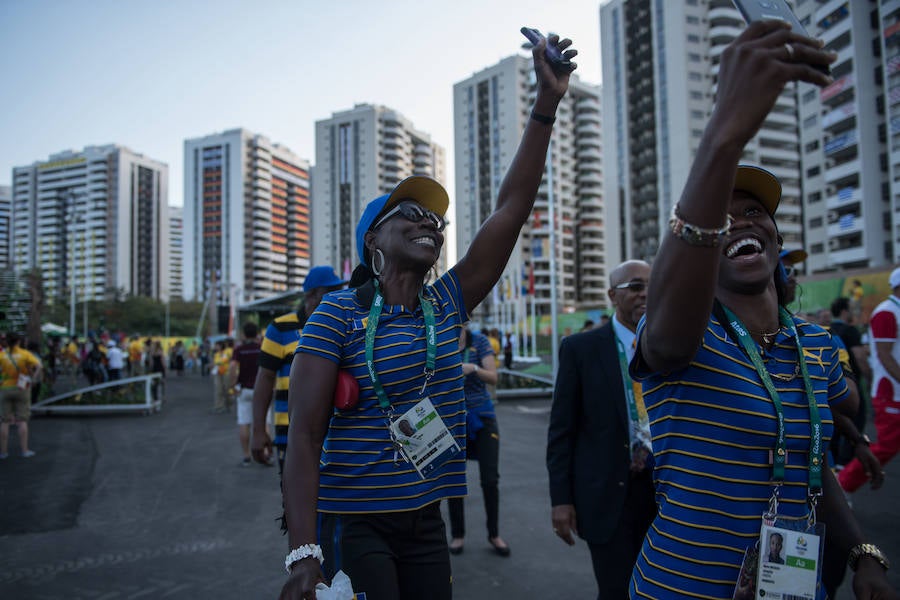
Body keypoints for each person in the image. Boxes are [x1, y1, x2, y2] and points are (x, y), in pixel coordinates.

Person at [279, 33, 577, 600]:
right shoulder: (338, 315)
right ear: (374, 241)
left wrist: (546, 105)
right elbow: (304, 437)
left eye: (438, 221)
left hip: (425, 517)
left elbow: (510, 211)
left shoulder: (446, 303)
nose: (431, 224)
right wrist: (303, 555)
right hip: (354, 520)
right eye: (412, 213)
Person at [630, 21, 894, 599]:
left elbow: (809, 464)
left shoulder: (817, 347)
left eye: (754, 212)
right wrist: (724, 132)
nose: (739, 221)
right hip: (683, 586)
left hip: (794, 588)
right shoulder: (687, 333)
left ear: (776, 238)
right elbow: (670, 335)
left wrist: (862, 554)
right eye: (722, 217)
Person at [547, 260, 656, 599]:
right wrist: (561, 501)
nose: (646, 295)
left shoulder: (669, 346)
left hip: (664, 494)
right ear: (612, 295)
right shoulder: (581, 349)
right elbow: (562, 430)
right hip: (608, 496)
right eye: (636, 287)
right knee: (616, 591)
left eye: (653, 286)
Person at [250, 265, 347, 470]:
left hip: (339, 436)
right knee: (297, 498)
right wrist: (258, 430)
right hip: (292, 436)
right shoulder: (280, 328)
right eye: (331, 292)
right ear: (311, 296)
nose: (339, 296)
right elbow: (265, 378)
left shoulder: (344, 325)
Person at [446, 327, 507, 557]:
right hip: (452, 418)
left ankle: (494, 534)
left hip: (482, 416)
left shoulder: (479, 341)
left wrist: (472, 369)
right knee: (454, 480)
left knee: (490, 479)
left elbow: (493, 377)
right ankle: (458, 535)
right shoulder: (440, 337)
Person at [839, 268, 900, 497]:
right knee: (886, 446)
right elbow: (884, 355)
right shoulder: (887, 312)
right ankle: (843, 485)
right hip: (891, 392)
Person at [0, 332, 42, 459]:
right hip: (22, 388)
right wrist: (33, 378)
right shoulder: (25, 354)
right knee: (22, 420)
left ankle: (3, 452)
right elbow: (39, 365)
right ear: (19, 341)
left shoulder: (2, 354)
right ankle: (24, 450)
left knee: (4, 421)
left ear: (6, 341)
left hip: (5, 388)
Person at [229, 322, 261, 467]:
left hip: (244, 389)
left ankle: (246, 456)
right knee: (263, 422)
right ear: (257, 333)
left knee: (244, 423)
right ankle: (265, 454)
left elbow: (233, 366)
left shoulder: (239, 349)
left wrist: (232, 385)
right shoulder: (262, 348)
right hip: (260, 389)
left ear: (243, 334)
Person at [211, 340, 232, 414]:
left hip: (226, 373)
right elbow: (214, 362)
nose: (216, 347)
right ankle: (218, 406)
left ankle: (228, 404)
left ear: (221, 346)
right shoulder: (216, 354)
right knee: (218, 389)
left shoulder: (228, 351)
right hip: (218, 373)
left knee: (227, 389)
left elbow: (227, 360)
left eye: (217, 345)